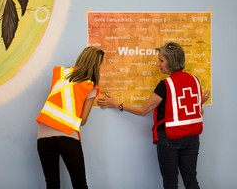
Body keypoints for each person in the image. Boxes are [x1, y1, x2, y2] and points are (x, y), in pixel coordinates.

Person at [97, 42, 210, 189]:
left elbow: (144, 110)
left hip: (170, 138)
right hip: (192, 138)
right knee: (191, 180)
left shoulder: (165, 84)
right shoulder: (194, 80)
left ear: (172, 61)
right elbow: (198, 111)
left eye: (161, 60)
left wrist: (117, 104)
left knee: (170, 183)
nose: (158, 64)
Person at [36, 46, 105, 189]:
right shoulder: (90, 85)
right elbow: (83, 120)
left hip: (43, 136)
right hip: (67, 136)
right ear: (97, 64)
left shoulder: (60, 73)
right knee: (80, 184)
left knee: (52, 184)